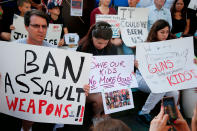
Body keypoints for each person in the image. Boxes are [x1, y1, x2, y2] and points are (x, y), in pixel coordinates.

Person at [14, 9, 90, 131]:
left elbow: (64, 79)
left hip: (45, 107)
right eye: (35, 26)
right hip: (19, 104)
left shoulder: (54, 51)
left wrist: (81, 87)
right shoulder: (13, 49)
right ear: (26, 26)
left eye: (44, 26)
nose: (41, 30)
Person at [136, 20, 179, 125]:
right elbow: (142, 67)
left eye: (167, 32)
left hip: (161, 79)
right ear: (155, 32)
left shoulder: (170, 45)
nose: (165, 35)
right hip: (142, 78)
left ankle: (170, 114)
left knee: (174, 92)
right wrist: (137, 64)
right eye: (162, 32)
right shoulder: (146, 45)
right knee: (161, 87)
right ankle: (143, 113)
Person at [76, 21, 118, 126]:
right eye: (99, 42)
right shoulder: (83, 48)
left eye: (106, 42)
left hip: (105, 84)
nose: (102, 46)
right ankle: (97, 118)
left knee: (113, 94)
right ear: (92, 37)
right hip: (86, 86)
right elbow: (75, 71)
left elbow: (116, 68)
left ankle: (105, 116)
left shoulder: (112, 48)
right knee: (100, 98)